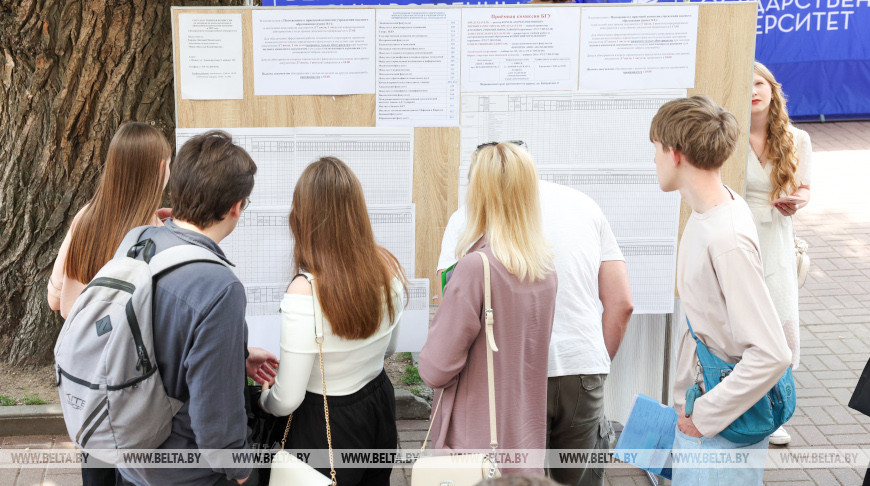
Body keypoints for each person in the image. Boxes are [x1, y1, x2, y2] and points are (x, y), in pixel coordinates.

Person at [436, 145, 633, 485]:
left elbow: (450, 307)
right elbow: (622, 302)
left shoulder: (467, 216)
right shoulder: (584, 205)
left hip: (512, 379)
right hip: (582, 369)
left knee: (520, 478)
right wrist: (592, 360)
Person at [650, 96, 791, 485]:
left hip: (717, 433)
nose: (654, 160)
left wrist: (703, 416)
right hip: (707, 420)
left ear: (675, 153)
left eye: (656, 149)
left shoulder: (725, 237)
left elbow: (772, 353)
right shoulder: (714, 210)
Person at [119, 130, 259, 486]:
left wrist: (235, 355)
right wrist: (242, 472)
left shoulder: (138, 240)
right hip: (187, 471)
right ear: (236, 206)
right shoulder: (220, 287)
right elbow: (217, 422)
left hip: (130, 454)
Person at [259, 157, 407, 486]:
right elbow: (390, 348)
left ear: (302, 218)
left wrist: (264, 399)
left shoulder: (305, 290)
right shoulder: (387, 267)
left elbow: (288, 399)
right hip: (378, 404)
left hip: (324, 422)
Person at [419, 142, 558, 475]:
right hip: (524, 442)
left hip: (475, 447)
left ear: (480, 194)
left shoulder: (475, 268)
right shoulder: (545, 270)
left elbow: (434, 368)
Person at [46, 122, 171, 486]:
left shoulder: (85, 219)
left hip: (85, 377)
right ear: (159, 169)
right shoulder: (157, 238)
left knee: (96, 471)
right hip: (135, 384)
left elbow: (55, 299)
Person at [747, 61, 812, 446]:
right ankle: (741, 408)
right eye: (746, 85)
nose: (753, 91)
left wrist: (795, 202)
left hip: (777, 235)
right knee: (742, 322)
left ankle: (775, 413)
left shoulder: (797, 138)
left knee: (778, 321)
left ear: (772, 90)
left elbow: (805, 188)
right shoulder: (729, 136)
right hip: (738, 233)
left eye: (759, 83)